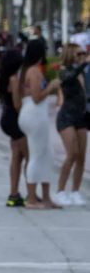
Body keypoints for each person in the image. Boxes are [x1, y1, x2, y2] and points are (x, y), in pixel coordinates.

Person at [17, 39, 61, 209]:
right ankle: (32, 199)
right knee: (36, 156)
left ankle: (46, 197)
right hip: (34, 114)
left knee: (46, 154)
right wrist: (51, 87)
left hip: (34, 114)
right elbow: (37, 97)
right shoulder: (34, 71)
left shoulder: (27, 70)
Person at [54, 44, 88, 206]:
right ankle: (60, 191)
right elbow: (68, 77)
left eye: (83, 53)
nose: (82, 55)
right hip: (66, 117)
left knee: (81, 156)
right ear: (70, 54)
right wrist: (84, 63)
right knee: (72, 154)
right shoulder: (64, 70)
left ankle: (75, 191)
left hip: (82, 116)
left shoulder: (83, 72)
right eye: (79, 53)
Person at [0, 50, 27, 207]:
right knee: (29, 157)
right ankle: (31, 193)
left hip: (6, 118)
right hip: (15, 120)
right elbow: (17, 104)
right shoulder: (14, 79)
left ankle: (13, 194)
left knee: (17, 156)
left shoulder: (4, 78)